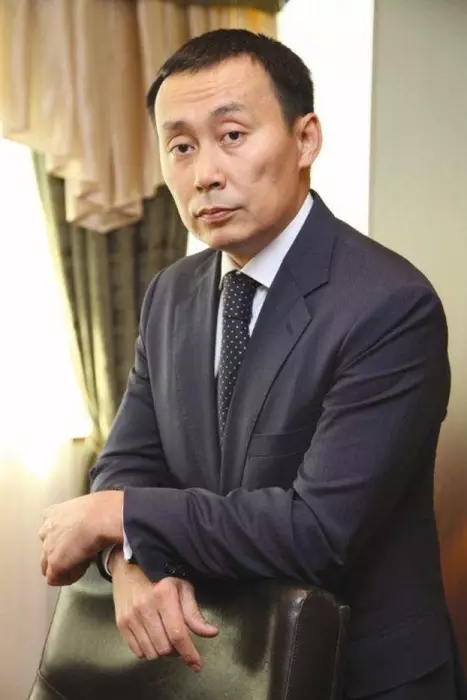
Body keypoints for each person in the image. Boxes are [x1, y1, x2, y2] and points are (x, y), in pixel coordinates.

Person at [39, 28, 466, 700]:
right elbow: (128, 458)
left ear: (305, 139)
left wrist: (113, 515)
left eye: (232, 135)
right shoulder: (171, 292)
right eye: (181, 146)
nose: (205, 173)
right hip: (214, 664)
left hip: (358, 676)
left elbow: (315, 533)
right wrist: (127, 561)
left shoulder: (388, 304)